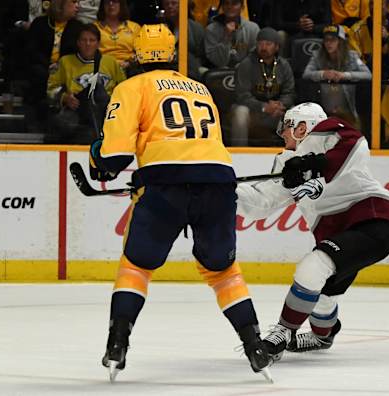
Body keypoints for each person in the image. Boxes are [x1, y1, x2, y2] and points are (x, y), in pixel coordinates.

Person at [88, 23, 272, 382]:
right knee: (223, 272)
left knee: (136, 266)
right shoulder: (200, 88)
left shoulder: (132, 86)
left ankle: (117, 343)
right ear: (171, 54)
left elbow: (113, 157)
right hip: (218, 182)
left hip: (165, 184)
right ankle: (255, 345)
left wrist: (97, 156)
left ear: (137, 54)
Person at [236, 102, 389, 360]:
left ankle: (283, 332)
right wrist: (224, 192)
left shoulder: (329, 131)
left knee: (313, 266)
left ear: (303, 127)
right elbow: (261, 202)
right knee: (322, 293)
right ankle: (324, 335)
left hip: (370, 223)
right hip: (337, 235)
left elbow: (353, 145)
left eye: (287, 128)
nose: (283, 134)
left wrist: (314, 163)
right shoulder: (288, 163)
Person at [47, 23, 126, 144]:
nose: (88, 44)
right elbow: (51, 89)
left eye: (92, 40)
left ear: (98, 43)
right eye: (84, 40)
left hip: (105, 109)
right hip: (78, 108)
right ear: (78, 42)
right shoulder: (65, 62)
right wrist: (64, 98)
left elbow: (125, 89)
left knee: (98, 90)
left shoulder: (110, 62)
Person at [231, 27, 295, 146]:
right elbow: (242, 96)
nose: (263, 47)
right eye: (260, 43)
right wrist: (264, 107)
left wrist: (280, 105)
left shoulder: (284, 65)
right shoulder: (246, 64)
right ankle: (239, 153)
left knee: (294, 113)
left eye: (268, 44)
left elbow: (289, 92)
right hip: (253, 111)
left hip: (277, 111)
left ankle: (292, 153)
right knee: (240, 112)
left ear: (277, 47)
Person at [302, 24, 371, 128]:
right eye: (326, 40)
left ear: (341, 42)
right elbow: (306, 74)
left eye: (333, 40)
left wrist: (345, 75)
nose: (329, 43)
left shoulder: (352, 56)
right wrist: (323, 74)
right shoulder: (317, 56)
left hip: (347, 111)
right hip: (324, 112)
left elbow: (368, 75)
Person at [204, 0, 259, 68]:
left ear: (242, 7)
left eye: (234, 3)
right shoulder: (211, 29)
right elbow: (217, 60)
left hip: (245, 71)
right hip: (218, 72)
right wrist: (226, 37)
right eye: (226, 3)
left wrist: (241, 68)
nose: (229, 7)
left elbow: (255, 56)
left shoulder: (252, 28)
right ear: (222, 7)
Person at [94, 0, 141, 76]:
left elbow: (142, 53)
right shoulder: (94, 28)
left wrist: (130, 63)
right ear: (103, 6)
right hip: (102, 69)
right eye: (107, 2)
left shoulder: (134, 27)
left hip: (130, 68)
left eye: (115, 1)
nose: (111, 4)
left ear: (122, 5)